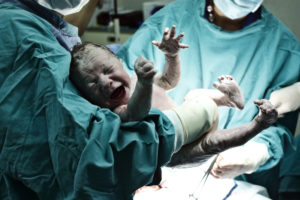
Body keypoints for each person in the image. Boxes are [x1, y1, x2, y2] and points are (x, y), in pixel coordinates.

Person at [0, 0, 278, 199]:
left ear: (122, 62)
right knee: (219, 141)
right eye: (94, 85)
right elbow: (128, 122)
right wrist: (162, 104)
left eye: (109, 70)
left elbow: (170, 80)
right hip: (178, 150)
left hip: (180, 129)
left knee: (197, 96)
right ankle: (256, 124)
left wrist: (171, 56)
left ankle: (229, 101)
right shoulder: (117, 110)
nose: (106, 82)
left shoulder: (134, 78)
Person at [116, 0, 300, 199]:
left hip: (229, 178)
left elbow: (278, 127)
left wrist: (255, 153)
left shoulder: (283, 49)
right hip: (157, 162)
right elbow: (123, 92)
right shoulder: (170, 22)